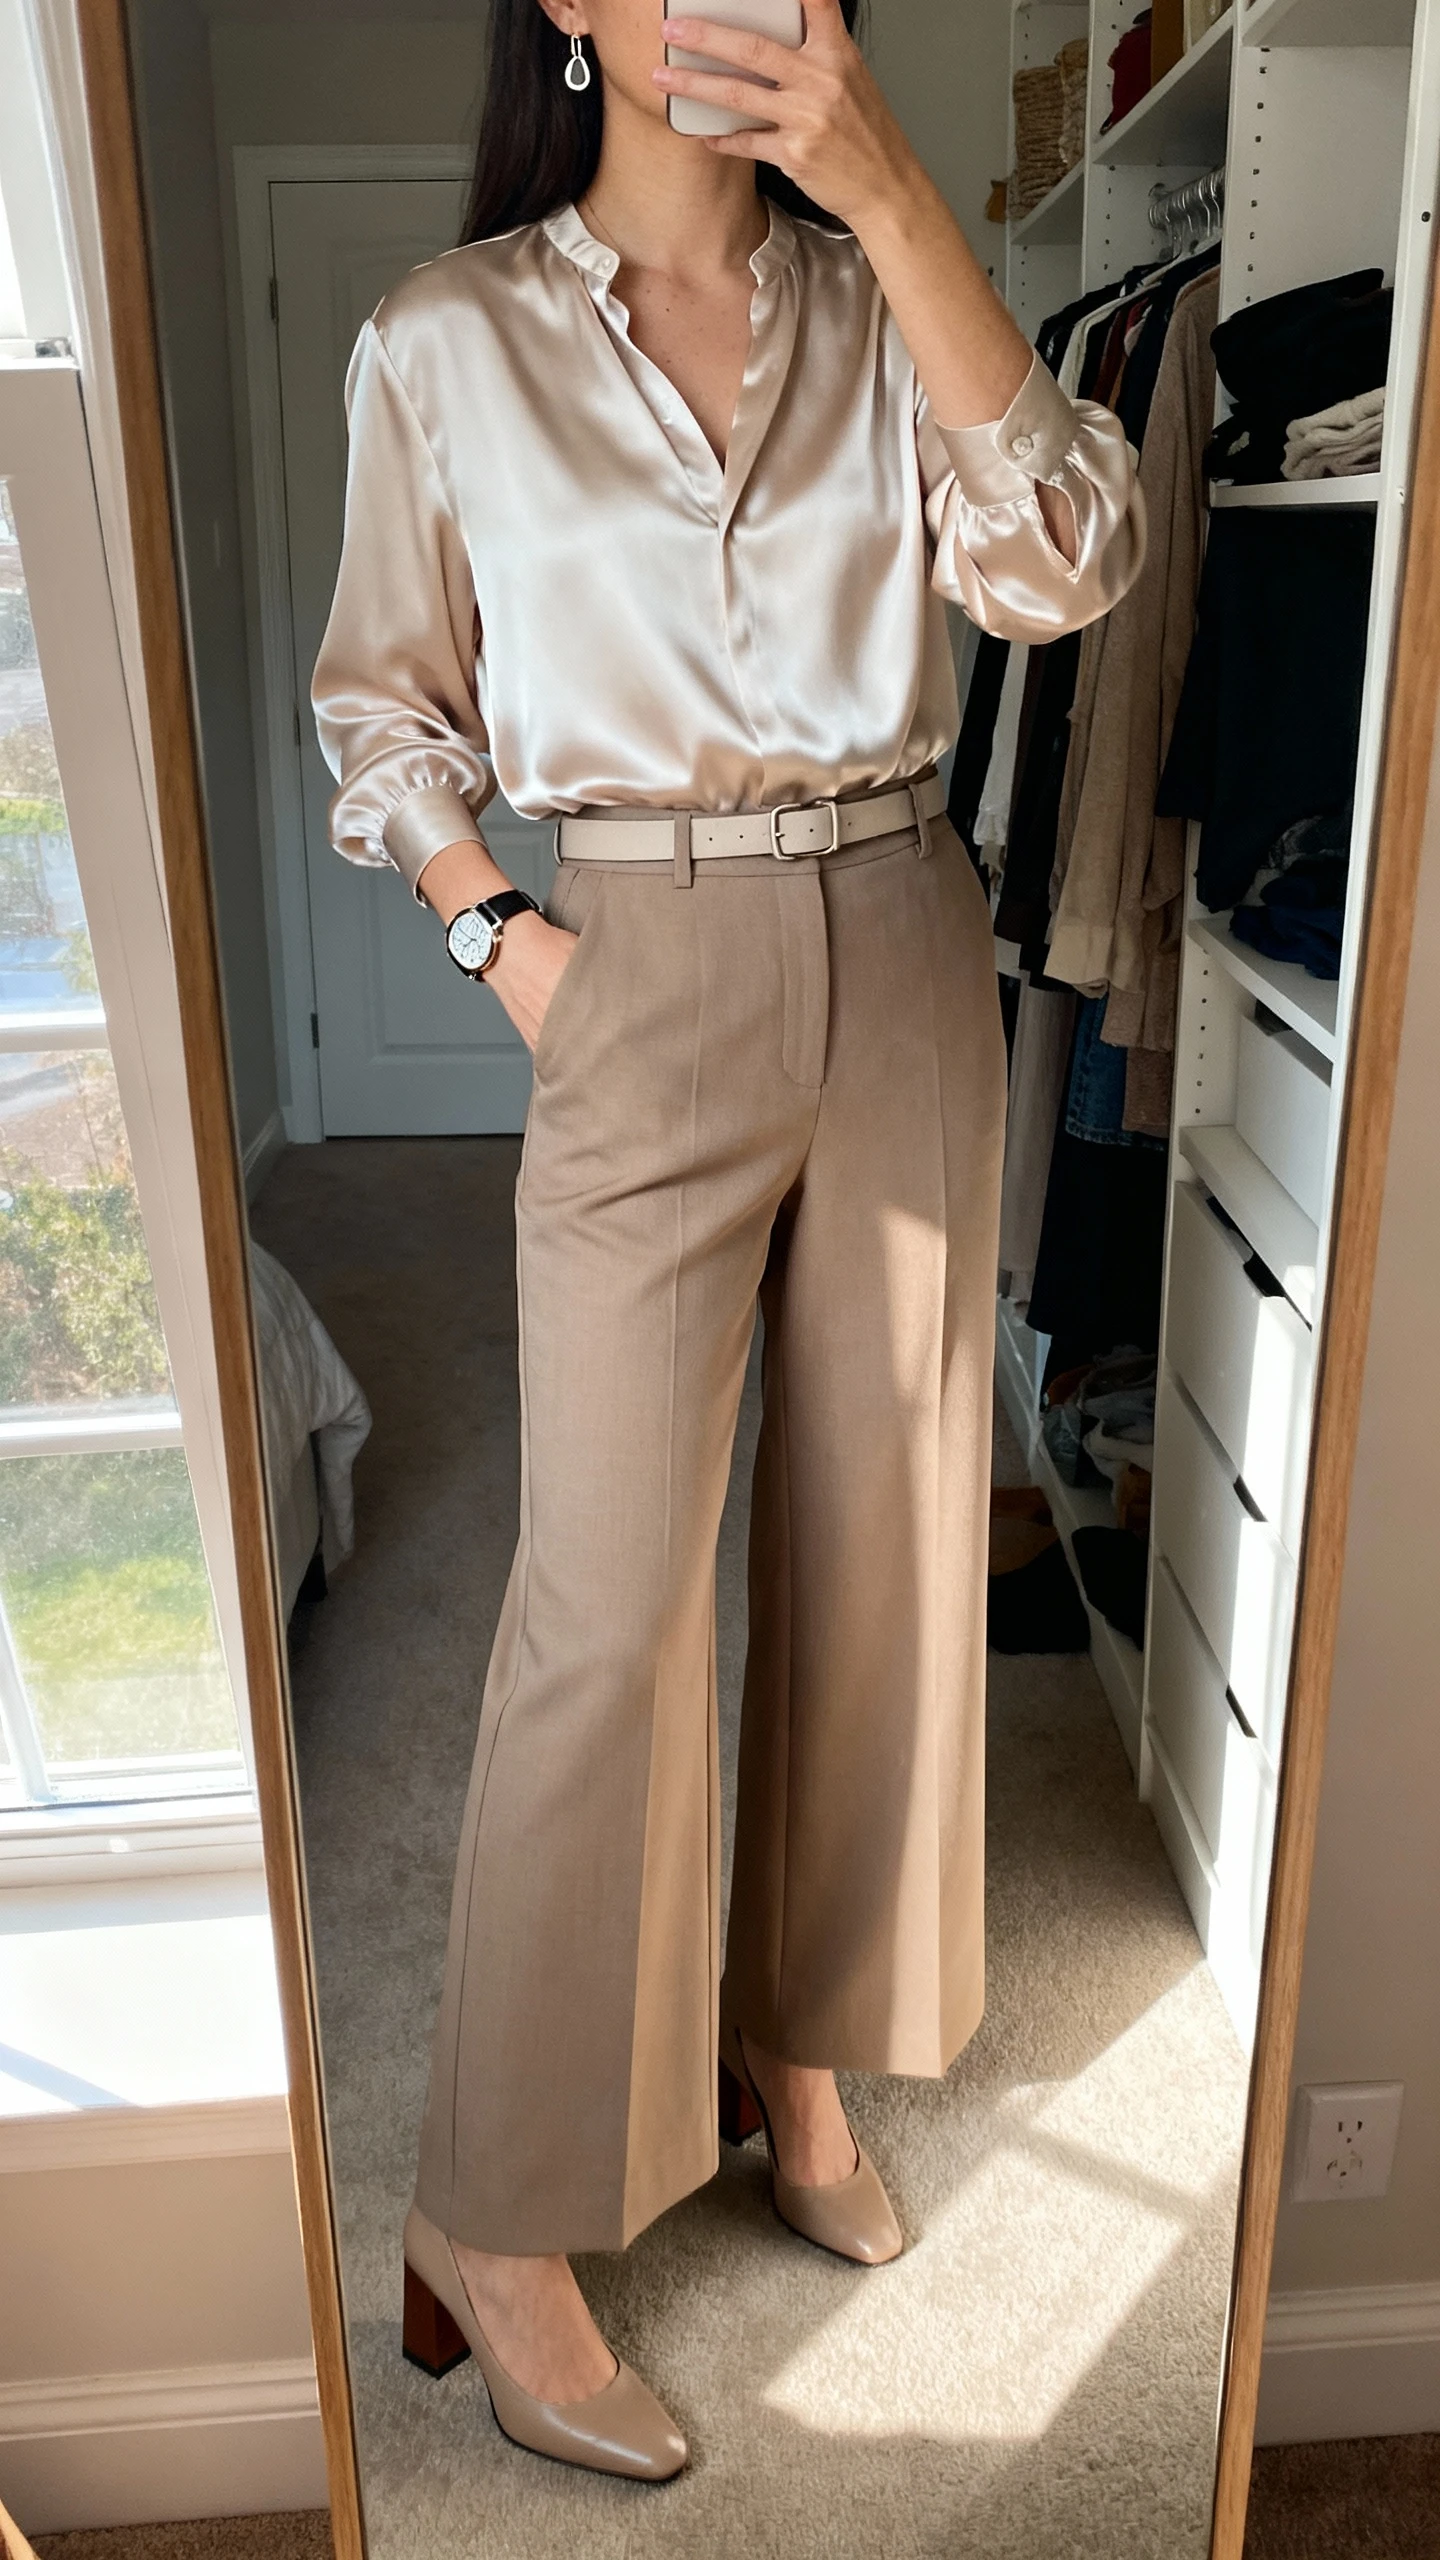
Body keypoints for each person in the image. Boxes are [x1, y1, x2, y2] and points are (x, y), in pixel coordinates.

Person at [312, 0, 1143, 2483]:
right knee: (607, 1597)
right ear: (565, 0)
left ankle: (799, 2046)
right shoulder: (444, 338)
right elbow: (382, 711)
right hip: (638, 961)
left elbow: (1072, 561)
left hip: (903, 927)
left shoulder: (903, 292)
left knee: (884, 1539)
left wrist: (901, 202)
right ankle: (497, 2207)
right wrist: (504, 944)